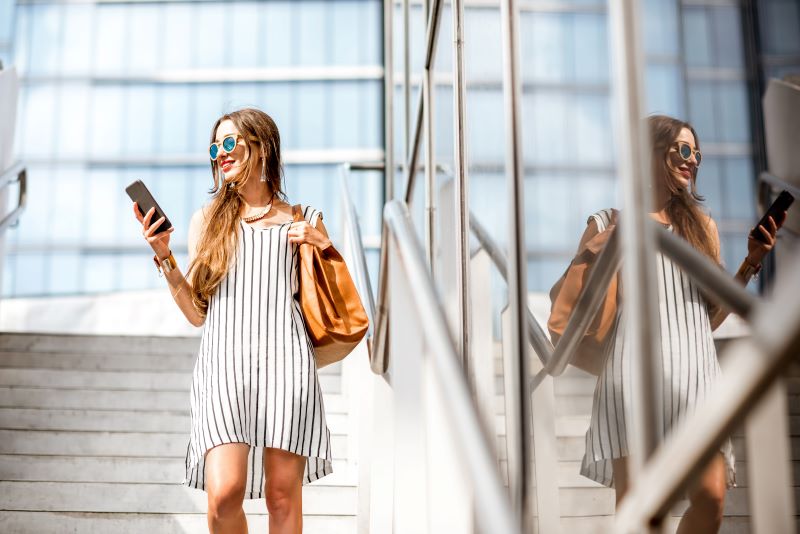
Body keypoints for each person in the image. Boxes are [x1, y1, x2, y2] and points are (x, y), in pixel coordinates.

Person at [565, 115, 785, 533]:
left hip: (697, 376)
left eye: (696, 153)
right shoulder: (606, 223)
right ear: (650, 152)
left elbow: (709, 316)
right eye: (682, 150)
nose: (692, 161)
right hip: (632, 378)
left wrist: (752, 261)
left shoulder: (702, 228)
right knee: (640, 512)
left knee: (712, 500)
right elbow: (583, 308)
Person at [133, 107, 334, 533]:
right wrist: (165, 255)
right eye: (215, 146)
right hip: (223, 368)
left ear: (261, 148)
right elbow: (195, 313)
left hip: (288, 368)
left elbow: (332, 291)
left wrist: (322, 245)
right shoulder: (206, 222)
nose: (220, 154)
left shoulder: (302, 218)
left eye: (230, 143)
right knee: (224, 494)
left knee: (282, 496)